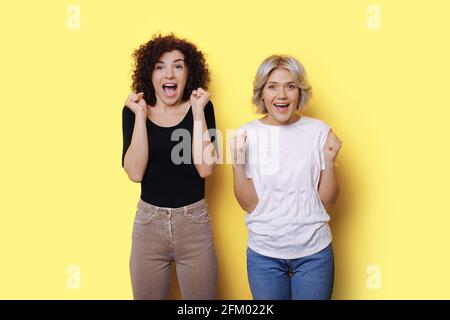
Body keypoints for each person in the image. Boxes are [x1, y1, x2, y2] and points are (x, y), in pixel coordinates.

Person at [230, 54, 342, 300]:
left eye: (290, 86)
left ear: (299, 93)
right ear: (262, 93)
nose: (281, 95)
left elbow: (326, 202)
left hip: (314, 254)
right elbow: (249, 204)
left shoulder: (319, 131)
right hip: (264, 256)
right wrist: (237, 165)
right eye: (272, 87)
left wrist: (330, 162)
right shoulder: (246, 135)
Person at [122, 34, 218, 300]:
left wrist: (198, 113)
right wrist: (141, 117)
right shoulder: (133, 111)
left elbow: (206, 169)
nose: (170, 73)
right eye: (160, 66)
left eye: (178, 65)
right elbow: (134, 172)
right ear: (150, 74)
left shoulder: (202, 108)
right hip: (149, 225)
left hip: (194, 223)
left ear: (189, 73)